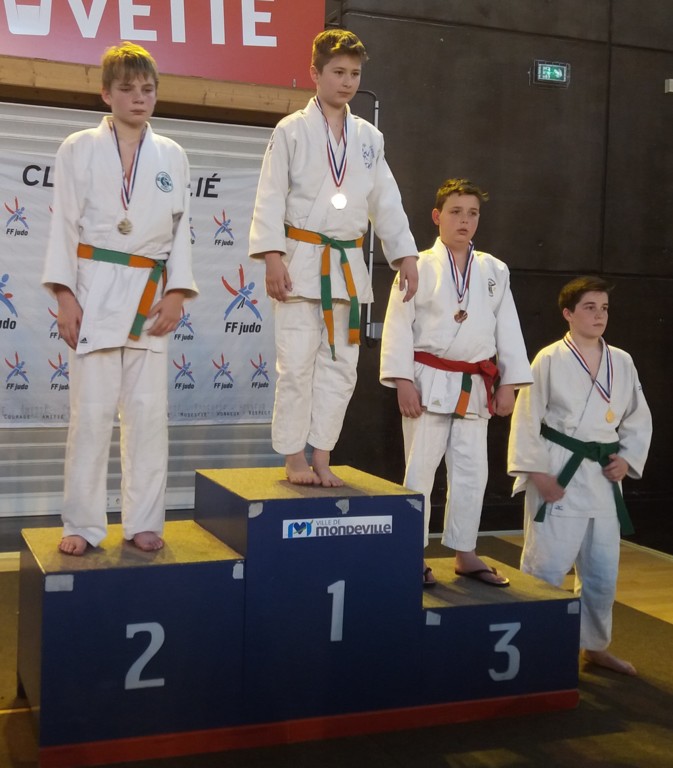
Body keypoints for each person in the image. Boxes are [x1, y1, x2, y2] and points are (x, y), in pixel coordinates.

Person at [42, 42, 197, 555]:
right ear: (106, 93)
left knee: (148, 416)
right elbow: (64, 224)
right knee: (90, 416)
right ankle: (82, 524)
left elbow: (182, 231)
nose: (139, 98)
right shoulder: (78, 147)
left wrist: (177, 292)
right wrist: (65, 295)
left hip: (151, 292)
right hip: (94, 287)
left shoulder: (172, 154)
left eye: (148, 89)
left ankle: (144, 521)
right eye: (127, 89)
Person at [248, 28, 418, 488]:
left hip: (345, 267)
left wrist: (405, 254)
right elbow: (270, 195)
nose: (347, 82)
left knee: (341, 369)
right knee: (296, 367)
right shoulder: (291, 130)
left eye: (354, 74)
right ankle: (293, 457)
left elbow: (386, 199)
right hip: (300, 261)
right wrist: (272, 257)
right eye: (338, 72)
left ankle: (322, 454)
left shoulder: (368, 137)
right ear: (315, 73)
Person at [380, 178, 532, 587]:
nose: (465, 220)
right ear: (437, 216)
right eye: (456, 212)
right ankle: (411, 554)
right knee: (420, 472)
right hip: (427, 380)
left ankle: (465, 553)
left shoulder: (494, 270)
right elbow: (398, 324)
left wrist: (508, 384)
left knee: (472, 472)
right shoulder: (416, 265)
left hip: (474, 382)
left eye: (472, 213)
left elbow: (508, 328)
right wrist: (402, 380)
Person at [508, 276, 652, 674]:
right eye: (590, 307)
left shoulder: (621, 360)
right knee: (546, 567)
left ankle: (593, 646)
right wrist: (537, 472)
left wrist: (627, 458)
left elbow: (638, 417)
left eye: (604, 308)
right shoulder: (548, 359)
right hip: (560, 469)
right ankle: (534, 648)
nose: (599, 315)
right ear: (568, 314)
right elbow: (526, 417)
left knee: (602, 571)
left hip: (604, 478)